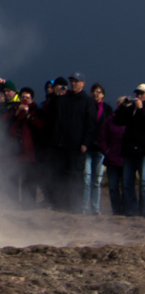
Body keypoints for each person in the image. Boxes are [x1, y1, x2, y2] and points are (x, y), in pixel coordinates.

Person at [49, 73, 98, 212]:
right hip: (61, 144)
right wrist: (56, 96)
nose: (73, 84)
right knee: (60, 175)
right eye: (72, 81)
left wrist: (85, 143)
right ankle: (61, 204)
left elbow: (90, 124)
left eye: (76, 81)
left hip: (77, 145)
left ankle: (76, 205)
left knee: (76, 176)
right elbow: (52, 114)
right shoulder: (63, 99)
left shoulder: (88, 101)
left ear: (83, 83)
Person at [84, 83, 109, 214]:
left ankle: (95, 208)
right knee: (86, 179)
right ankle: (84, 207)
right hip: (87, 147)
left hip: (100, 149)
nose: (95, 94)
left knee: (97, 181)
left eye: (98, 92)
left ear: (103, 94)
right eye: (93, 91)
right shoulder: (87, 107)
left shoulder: (107, 109)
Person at [103, 99, 130, 214]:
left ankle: (126, 209)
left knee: (126, 187)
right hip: (112, 159)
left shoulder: (132, 120)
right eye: (121, 105)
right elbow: (102, 138)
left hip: (127, 159)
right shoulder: (110, 120)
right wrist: (106, 151)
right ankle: (116, 210)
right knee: (113, 187)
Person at [122, 88, 145, 216]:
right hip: (129, 151)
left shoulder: (141, 109)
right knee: (127, 183)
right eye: (137, 93)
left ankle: (143, 210)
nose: (138, 96)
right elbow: (119, 121)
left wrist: (141, 109)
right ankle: (131, 210)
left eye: (141, 93)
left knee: (144, 183)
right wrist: (123, 107)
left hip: (143, 152)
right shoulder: (131, 109)